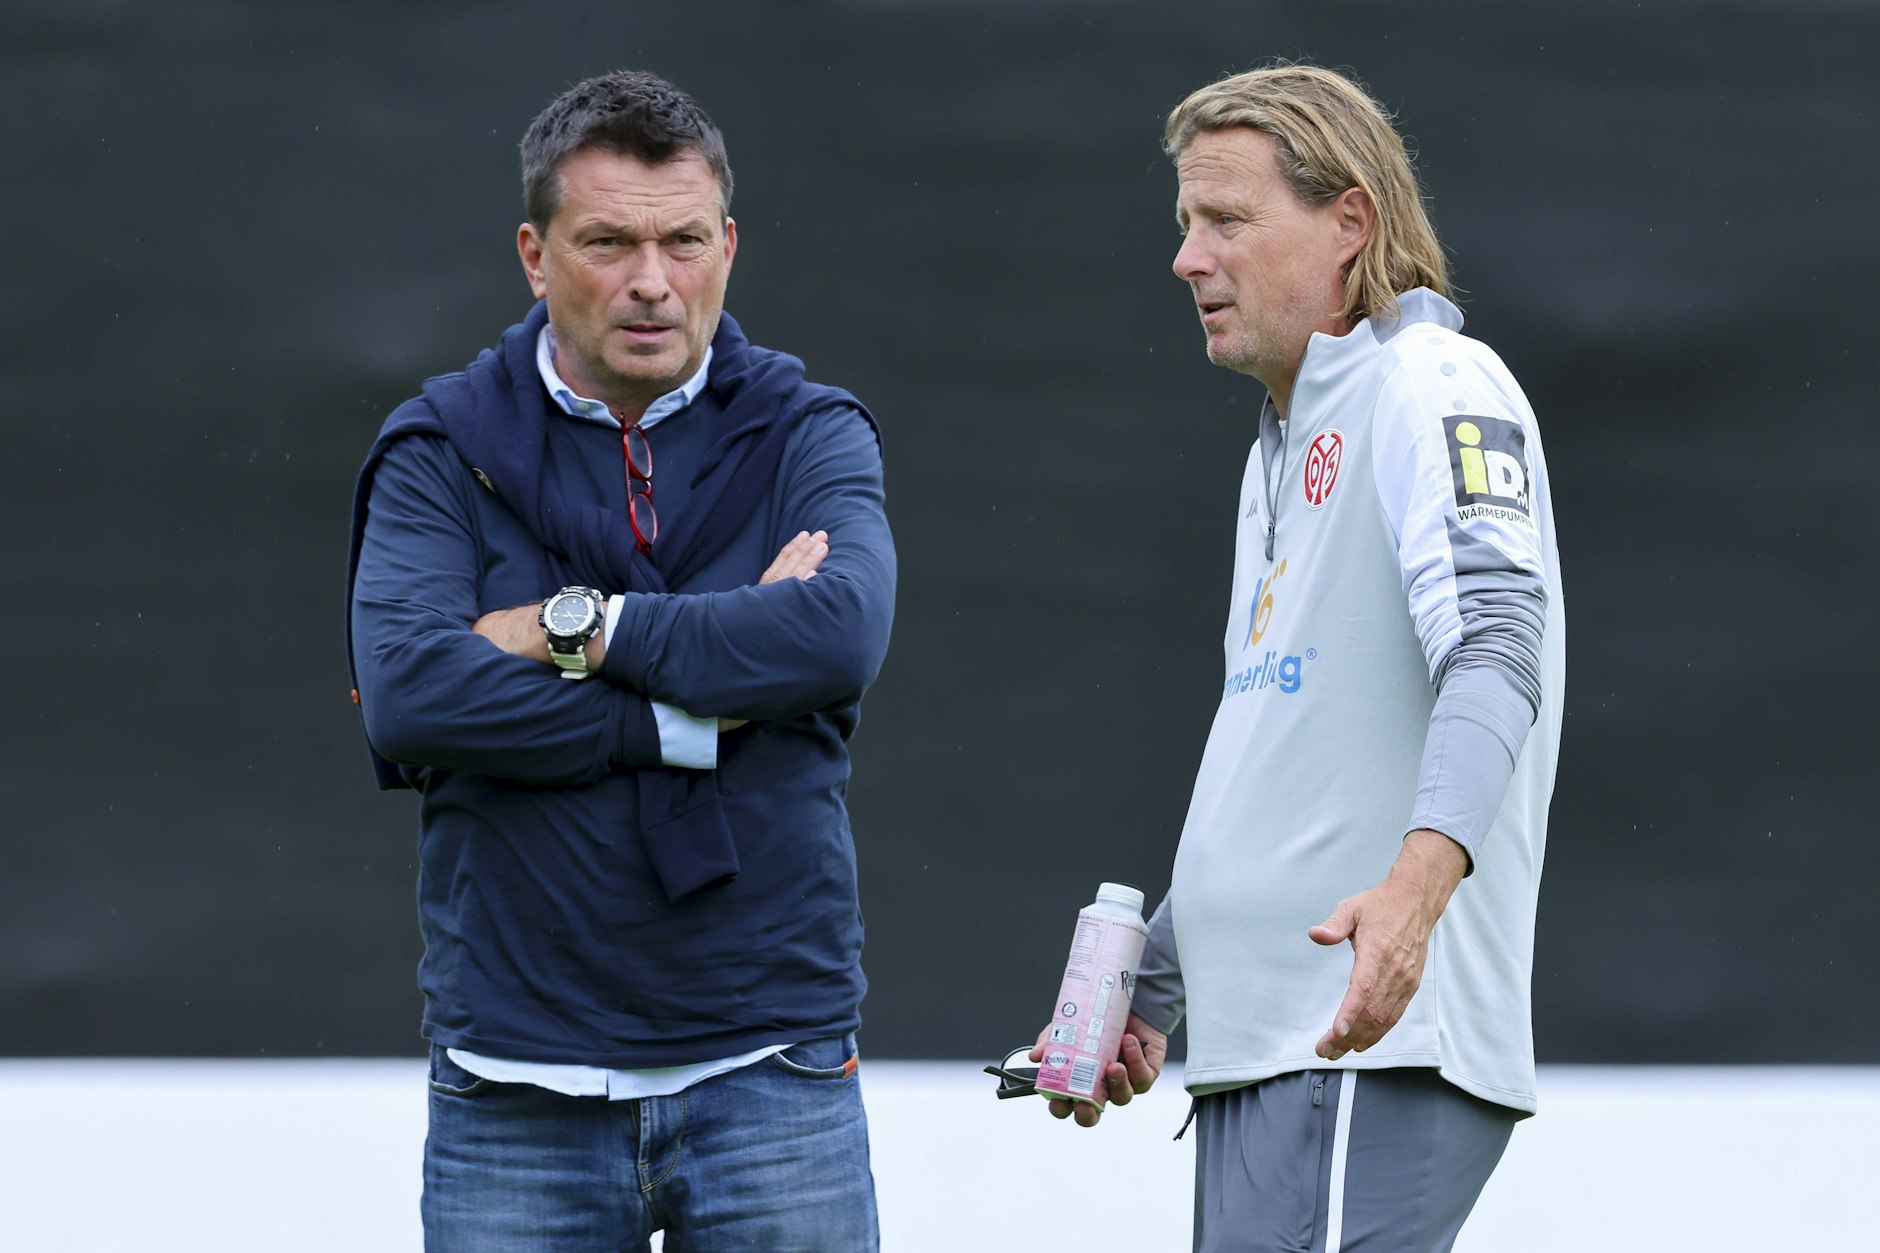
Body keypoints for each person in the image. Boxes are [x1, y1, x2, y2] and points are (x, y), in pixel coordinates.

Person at [346, 69, 894, 1251]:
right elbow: (411, 696)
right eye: (608, 242)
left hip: (773, 1065)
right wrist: (686, 712)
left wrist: (574, 630)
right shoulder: (440, 447)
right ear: (535, 255)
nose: (652, 280)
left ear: (727, 245)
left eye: (683, 239)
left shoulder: (810, 429)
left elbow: (835, 633)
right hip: (513, 1084)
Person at [1034, 62, 1565, 1253]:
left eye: (1224, 219)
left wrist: (1416, 890)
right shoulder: (1281, 444)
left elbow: (1496, 640)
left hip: (1360, 1042)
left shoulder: (1430, 381)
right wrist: (1156, 979)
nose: (1187, 258)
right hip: (1261, 1049)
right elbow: (1281, 757)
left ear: (1349, 222)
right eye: (1184, 224)